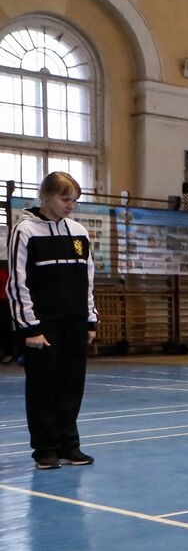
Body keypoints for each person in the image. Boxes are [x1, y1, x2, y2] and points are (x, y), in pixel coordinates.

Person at [7, 172, 98, 470]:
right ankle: (45, 448)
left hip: (74, 322)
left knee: (72, 385)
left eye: (74, 200)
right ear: (45, 196)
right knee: (43, 387)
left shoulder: (79, 232)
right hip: (42, 325)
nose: (70, 205)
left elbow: (88, 280)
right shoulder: (25, 232)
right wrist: (29, 327)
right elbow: (17, 283)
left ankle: (69, 445)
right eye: (64, 198)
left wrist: (89, 320)